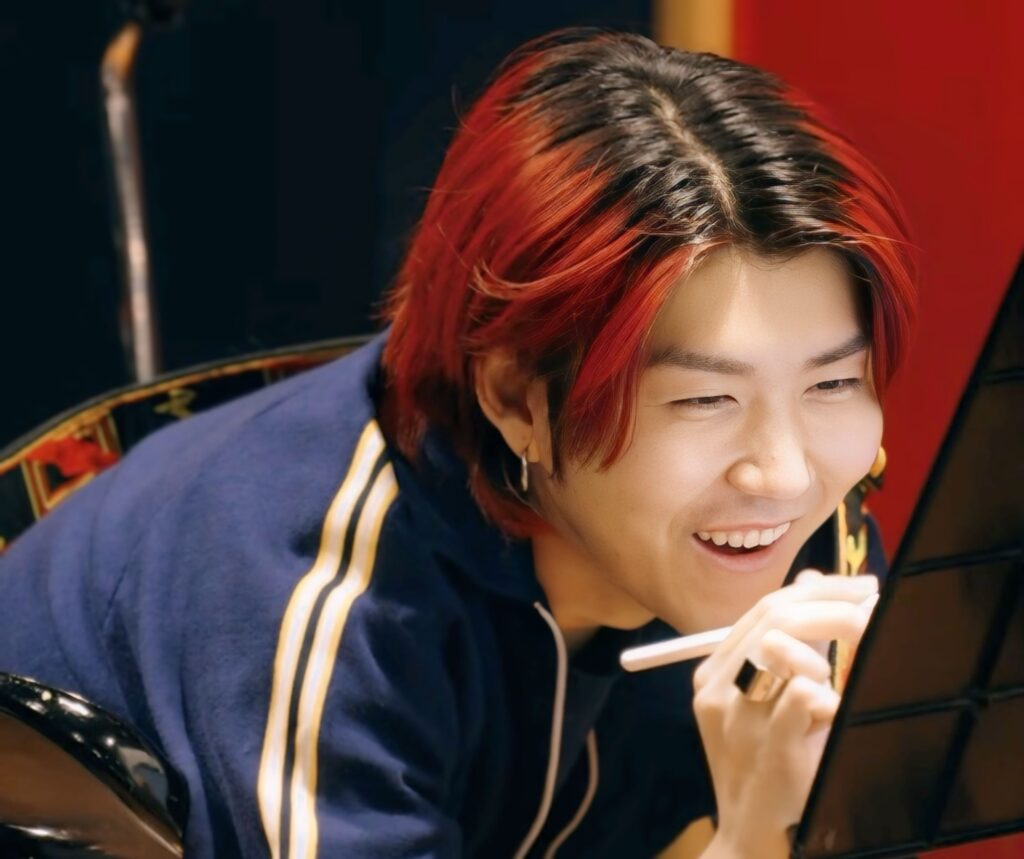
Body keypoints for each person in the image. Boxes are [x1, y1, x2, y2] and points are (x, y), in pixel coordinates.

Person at [0, 29, 915, 858]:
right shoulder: (335, 600)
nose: (784, 473)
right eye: (706, 398)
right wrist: (753, 841)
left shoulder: (799, 551)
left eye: (832, 383)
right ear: (517, 398)